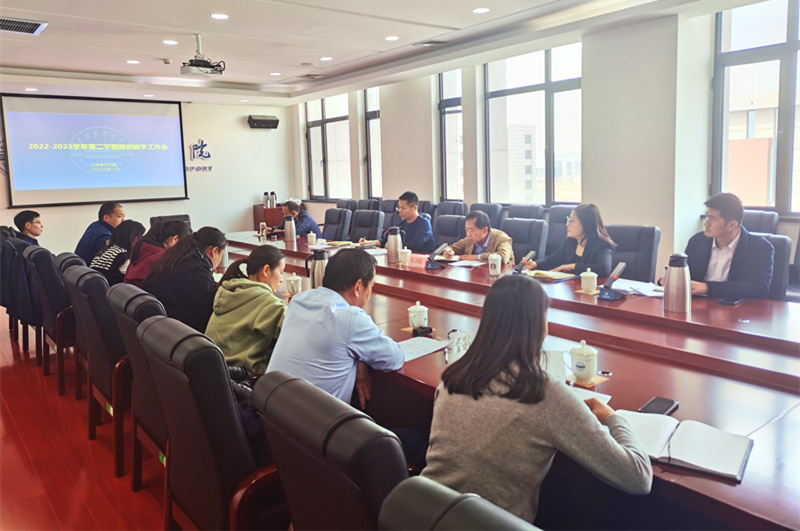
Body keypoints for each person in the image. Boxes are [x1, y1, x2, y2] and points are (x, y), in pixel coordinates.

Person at [421, 274, 652, 523]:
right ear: (539, 326)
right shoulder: (543, 392)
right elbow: (637, 478)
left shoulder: (453, 378)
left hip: (422, 516)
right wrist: (614, 418)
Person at [267, 248, 403, 404]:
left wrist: (359, 359)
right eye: (371, 286)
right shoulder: (350, 318)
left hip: (268, 410)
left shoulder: (298, 301)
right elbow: (394, 358)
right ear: (358, 287)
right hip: (315, 419)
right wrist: (361, 357)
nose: (370, 292)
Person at [661, 193, 774, 299]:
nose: (706, 223)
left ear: (731, 225)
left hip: (738, 309)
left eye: (712, 219)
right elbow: (687, 275)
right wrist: (672, 279)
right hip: (698, 307)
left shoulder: (760, 248)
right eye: (707, 216)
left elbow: (759, 288)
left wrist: (708, 288)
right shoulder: (697, 242)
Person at [206, 246, 287, 375]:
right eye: (281, 272)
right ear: (266, 270)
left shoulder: (230, 290)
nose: (282, 279)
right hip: (245, 376)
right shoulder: (265, 302)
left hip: (216, 371)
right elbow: (294, 328)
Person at [143, 227, 227, 332]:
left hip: (160, 326)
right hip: (178, 330)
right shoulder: (194, 270)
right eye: (221, 256)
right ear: (214, 251)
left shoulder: (175, 258)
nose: (220, 260)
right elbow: (215, 303)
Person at [525, 203, 614, 277]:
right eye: (568, 220)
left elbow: (603, 269)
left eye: (572, 221)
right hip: (571, 288)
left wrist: (573, 266)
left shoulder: (602, 245)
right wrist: (535, 264)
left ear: (585, 224)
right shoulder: (570, 242)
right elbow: (553, 260)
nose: (567, 224)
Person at [359, 191, 436, 253]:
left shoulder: (424, 223)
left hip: (421, 259)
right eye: (399, 208)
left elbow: (416, 245)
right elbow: (386, 240)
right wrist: (369, 243)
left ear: (414, 208)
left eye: (403, 208)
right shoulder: (401, 224)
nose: (400, 211)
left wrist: (393, 246)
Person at [124, 220, 193, 288]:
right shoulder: (163, 257)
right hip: (144, 292)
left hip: (131, 292)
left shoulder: (145, 247)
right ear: (175, 239)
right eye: (185, 244)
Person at [442, 210, 514, 264]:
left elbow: (503, 257)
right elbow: (452, 247)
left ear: (484, 230)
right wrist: (449, 251)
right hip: (476, 275)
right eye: (466, 230)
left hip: (500, 276)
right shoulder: (469, 240)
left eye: (471, 230)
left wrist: (477, 257)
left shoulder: (502, 238)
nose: (468, 234)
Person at [90, 220, 145, 285]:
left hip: (95, 285)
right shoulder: (123, 256)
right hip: (110, 288)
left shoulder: (106, 249)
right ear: (133, 238)